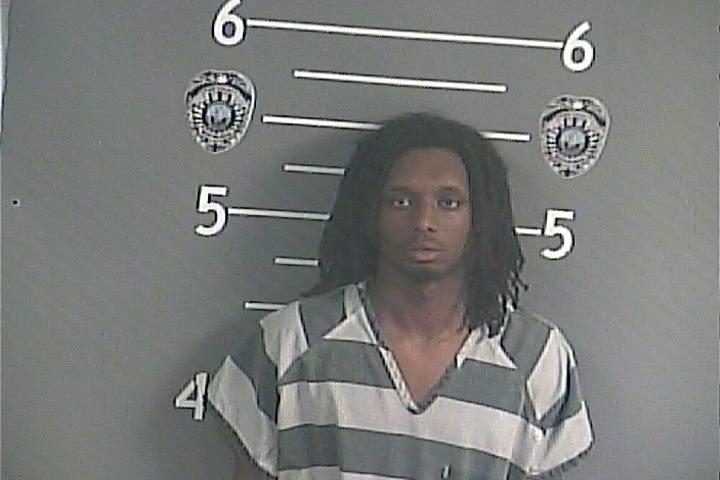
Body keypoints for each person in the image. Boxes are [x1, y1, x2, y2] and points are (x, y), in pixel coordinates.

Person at [208, 113, 594, 479]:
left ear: (480, 217)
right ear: (369, 212)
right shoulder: (288, 342)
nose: (424, 221)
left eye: (449, 202)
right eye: (401, 201)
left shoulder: (536, 357)